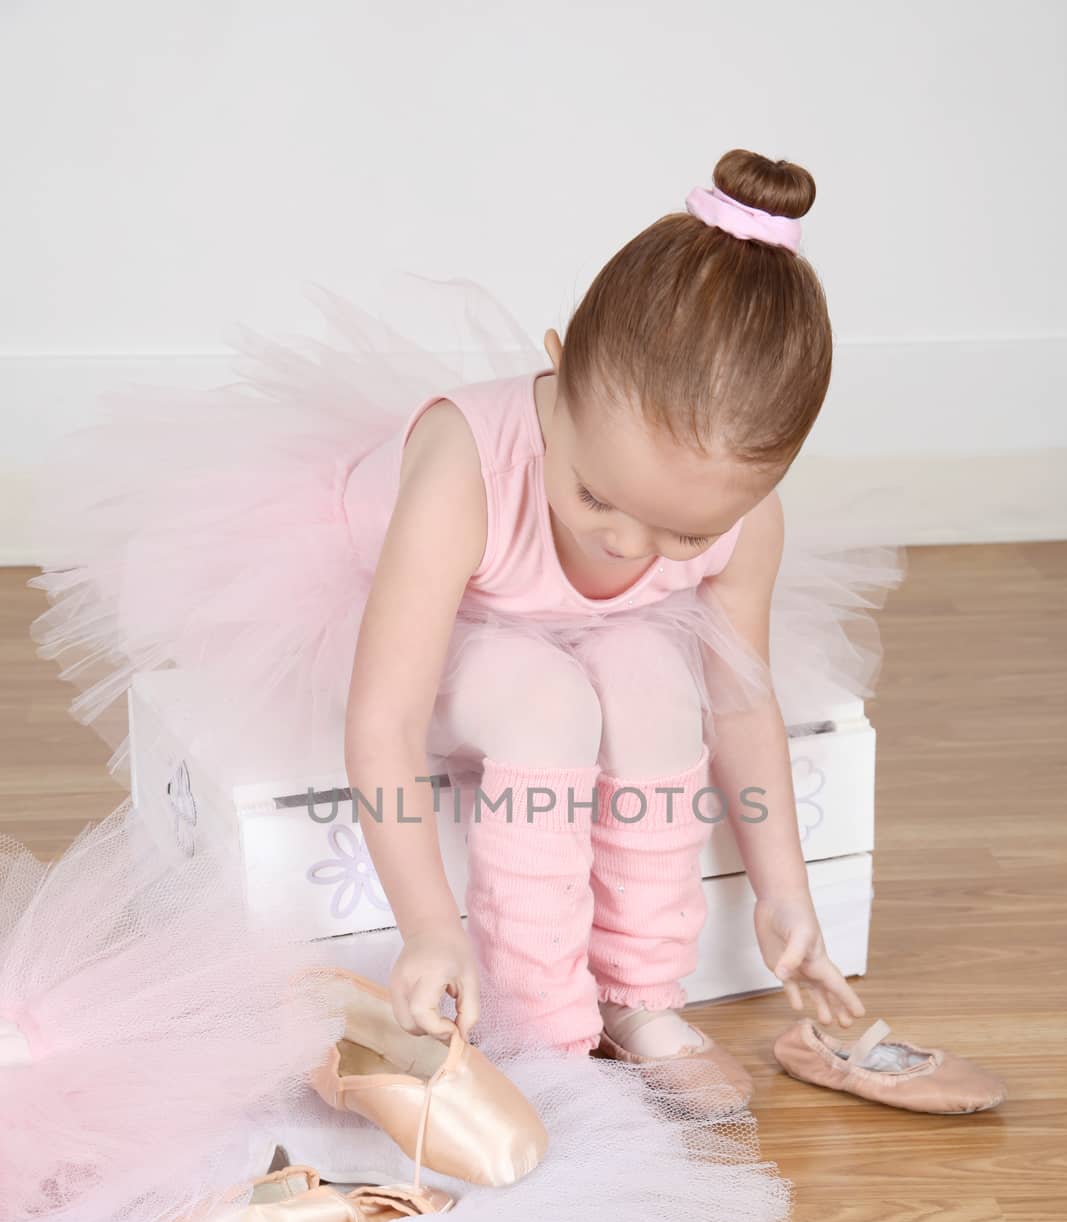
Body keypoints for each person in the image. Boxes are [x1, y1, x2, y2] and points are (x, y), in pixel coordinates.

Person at [26, 148, 905, 1094]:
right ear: (557, 367)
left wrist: (783, 893)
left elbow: (741, 703)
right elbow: (386, 719)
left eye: (683, 533)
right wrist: (430, 928)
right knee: (544, 700)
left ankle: (642, 997)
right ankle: (540, 1028)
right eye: (595, 496)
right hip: (418, 620)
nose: (627, 547)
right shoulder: (465, 470)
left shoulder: (742, 524)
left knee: (663, 683)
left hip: (570, 637)